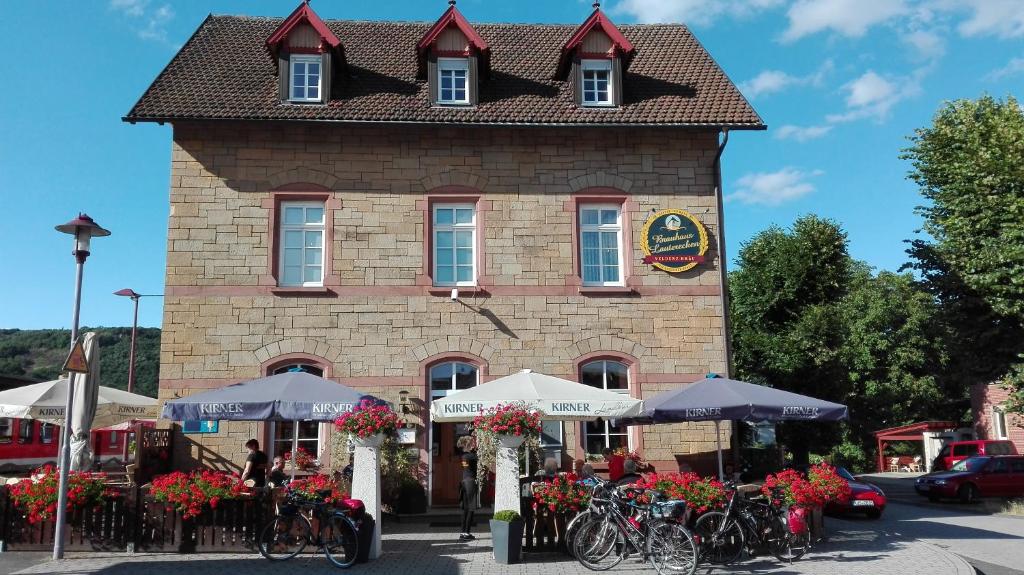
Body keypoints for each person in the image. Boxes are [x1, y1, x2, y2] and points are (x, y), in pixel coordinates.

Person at [457, 436, 478, 541]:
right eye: (472, 443)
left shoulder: (464, 456)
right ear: (468, 444)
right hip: (470, 483)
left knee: (465, 509)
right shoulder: (472, 456)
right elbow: (482, 459)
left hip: (464, 482)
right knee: (471, 508)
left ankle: (463, 532)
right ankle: (467, 533)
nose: (474, 444)